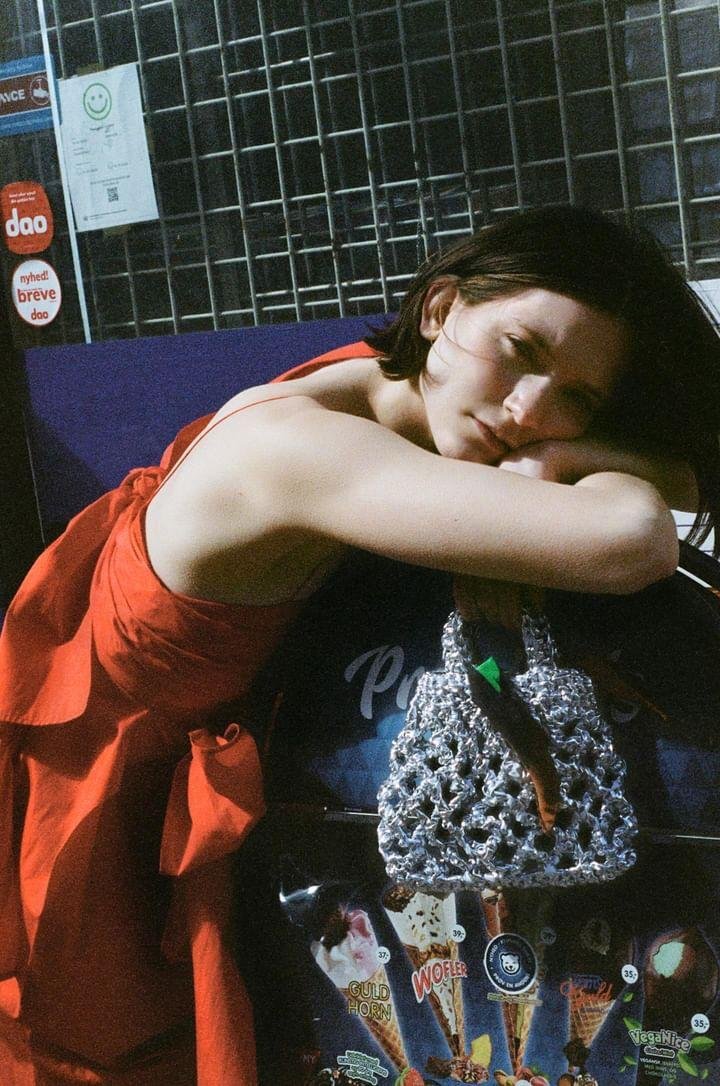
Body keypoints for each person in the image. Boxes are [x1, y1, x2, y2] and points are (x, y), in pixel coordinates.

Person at [0, 205, 718, 1086]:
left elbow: (685, 480)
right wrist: (554, 468)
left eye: (578, 399)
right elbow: (632, 537)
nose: (529, 410)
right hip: (110, 806)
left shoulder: (385, 391)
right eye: (521, 350)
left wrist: (556, 461)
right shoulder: (301, 451)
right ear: (440, 307)